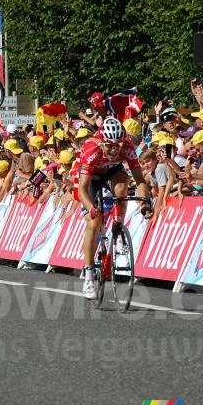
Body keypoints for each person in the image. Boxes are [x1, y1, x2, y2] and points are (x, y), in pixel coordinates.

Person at [76, 117, 150, 299]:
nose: (114, 149)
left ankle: (118, 228)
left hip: (112, 172)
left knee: (122, 187)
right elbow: (82, 188)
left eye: (117, 145)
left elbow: (140, 180)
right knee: (94, 223)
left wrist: (145, 203)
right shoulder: (91, 148)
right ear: (102, 142)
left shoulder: (127, 148)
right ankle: (89, 273)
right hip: (91, 177)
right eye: (110, 146)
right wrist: (91, 209)